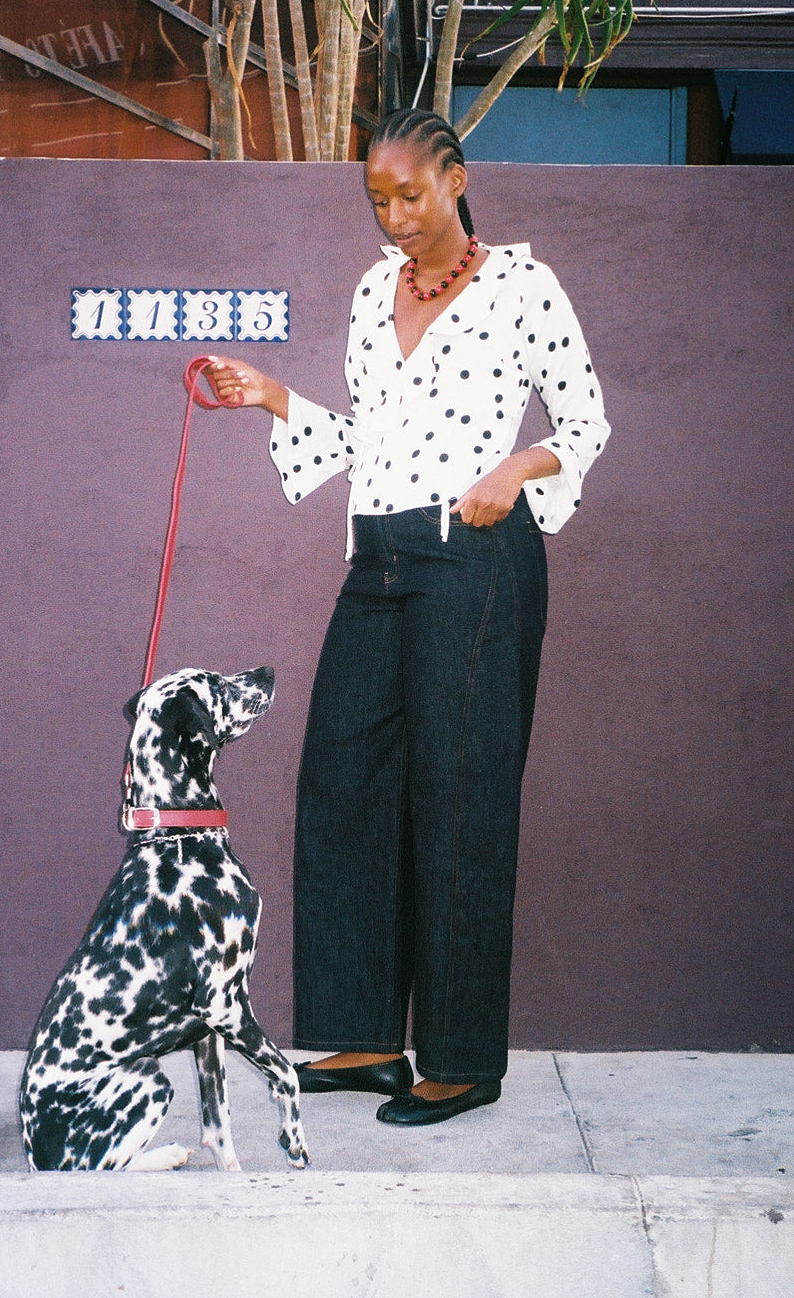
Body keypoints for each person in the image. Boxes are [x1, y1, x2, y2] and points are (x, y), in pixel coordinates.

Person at [204, 109, 609, 1125]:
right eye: (377, 199)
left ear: (455, 179)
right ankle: (369, 1039)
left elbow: (586, 421)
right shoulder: (370, 290)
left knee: (461, 799)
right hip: (380, 557)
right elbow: (371, 437)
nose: (393, 216)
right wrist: (272, 398)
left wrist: (517, 469)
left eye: (410, 194)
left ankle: (462, 1060)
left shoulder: (523, 286)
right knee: (345, 785)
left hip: (475, 557)